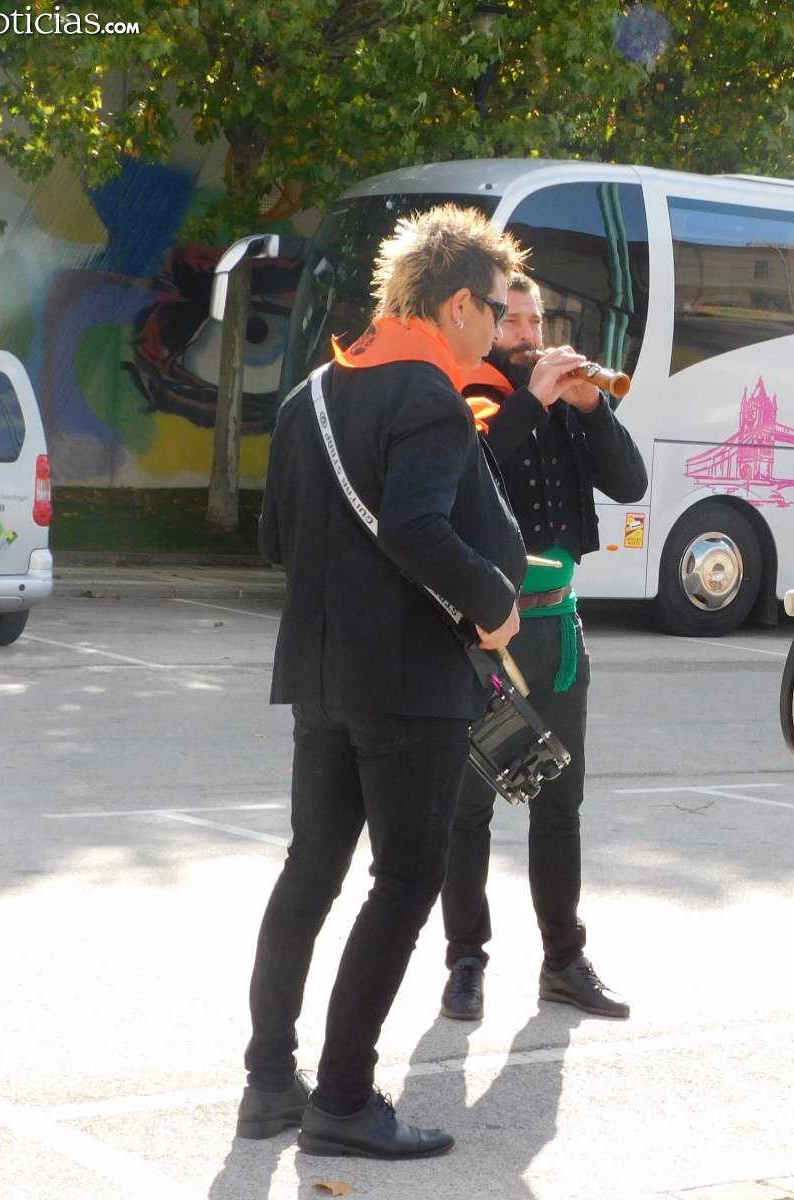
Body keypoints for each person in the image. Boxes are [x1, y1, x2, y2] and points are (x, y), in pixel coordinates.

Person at [235, 205, 590, 1159]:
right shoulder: (429, 396)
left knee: (311, 871)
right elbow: (415, 527)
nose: (502, 327)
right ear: (457, 305)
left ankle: (269, 1083)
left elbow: (275, 541)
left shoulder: (312, 392)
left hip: (321, 675)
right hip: (408, 681)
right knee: (403, 883)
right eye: (498, 309)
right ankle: (345, 1098)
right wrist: (492, 603)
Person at [437, 274, 648, 1022]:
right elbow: (472, 469)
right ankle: (466, 960)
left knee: (561, 802)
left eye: (536, 321)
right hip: (482, 634)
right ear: (489, 325)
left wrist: (593, 408)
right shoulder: (468, 391)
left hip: (555, 626)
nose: (530, 334)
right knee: (467, 809)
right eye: (515, 321)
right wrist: (535, 397)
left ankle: (563, 960)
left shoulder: (564, 403)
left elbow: (630, 483)